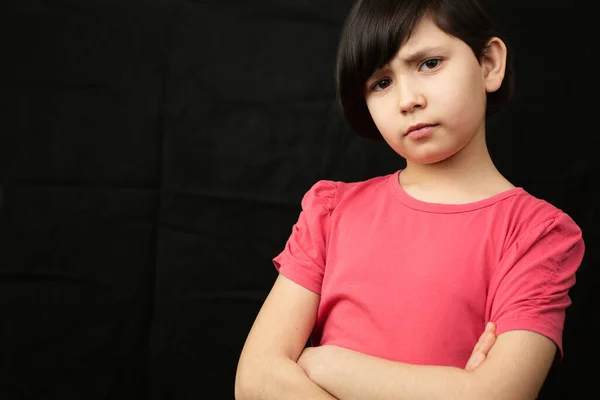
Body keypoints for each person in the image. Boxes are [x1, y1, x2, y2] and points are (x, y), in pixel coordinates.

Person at [235, 0, 585, 399]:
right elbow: (255, 380)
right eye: (381, 83)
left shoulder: (537, 234)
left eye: (429, 64)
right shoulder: (331, 212)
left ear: (488, 63)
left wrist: (326, 363)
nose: (408, 100)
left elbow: (494, 395)